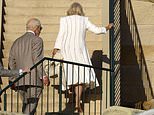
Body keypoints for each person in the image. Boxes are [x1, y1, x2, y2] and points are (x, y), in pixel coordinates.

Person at [52, 2, 113, 113]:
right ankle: (77, 103)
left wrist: (56, 47)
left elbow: (61, 34)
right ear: (80, 10)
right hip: (80, 51)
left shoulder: (64, 20)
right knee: (80, 78)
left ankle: (71, 97)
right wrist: (107, 28)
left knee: (70, 74)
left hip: (67, 50)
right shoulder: (84, 20)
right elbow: (96, 30)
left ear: (70, 10)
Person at [9, 18, 50, 115]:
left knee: (26, 104)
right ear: (36, 28)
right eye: (40, 28)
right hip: (33, 79)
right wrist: (43, 76)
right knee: (31, 105)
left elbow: (11, 62)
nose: (40, 31)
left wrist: (12, 78)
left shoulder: (16, 41)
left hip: (19, 80)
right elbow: (37, 59)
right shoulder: (37, 40)